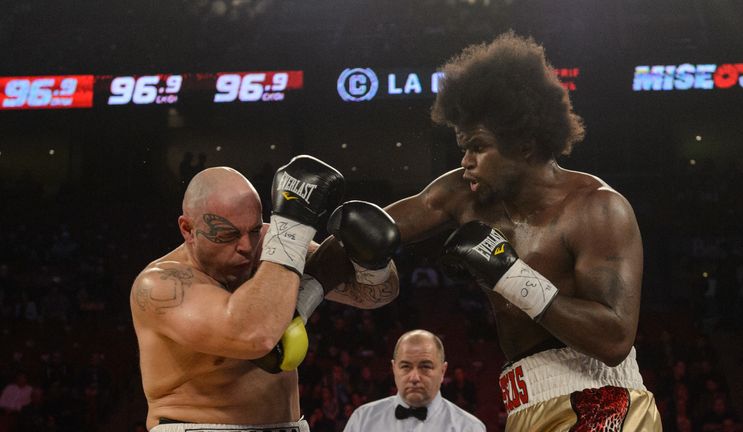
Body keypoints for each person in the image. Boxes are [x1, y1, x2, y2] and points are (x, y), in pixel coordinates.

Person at [381, 33, 662, 430]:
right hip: (524, 405)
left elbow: (614, 339)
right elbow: (375, 231)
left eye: (478, 146)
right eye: (463, 146)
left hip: (603, 401)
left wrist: (510, 275)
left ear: (526, 145)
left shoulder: (596, 208)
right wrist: (296, 240)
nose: (466, 161)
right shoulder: (464, 195)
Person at [130, 155, 401, 432]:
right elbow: (254, 335)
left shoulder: (270, 244)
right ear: (187, 229)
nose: (247, 246)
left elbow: (373, 294)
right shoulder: (161, 285)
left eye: (254, 229)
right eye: (228, 234)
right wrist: (292, 229)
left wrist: (374, 262)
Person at [343, 329, 485, 432]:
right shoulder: (363, 419)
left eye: (425, 367)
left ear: (442, 371)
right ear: (394, 369)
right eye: (405, 366)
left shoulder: (468, 428)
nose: (415, 377)